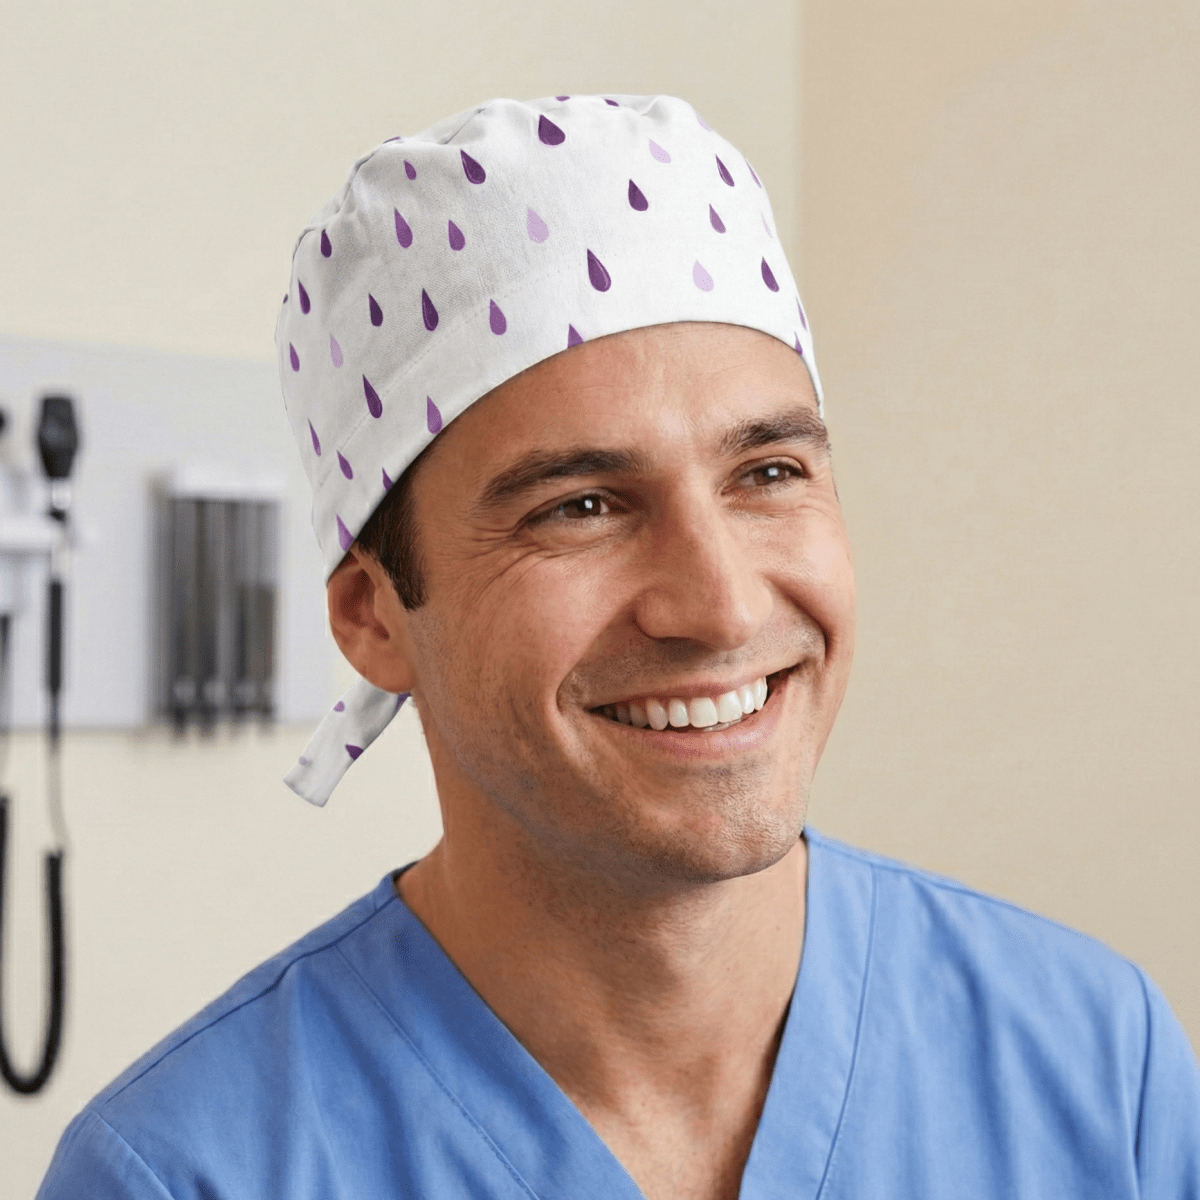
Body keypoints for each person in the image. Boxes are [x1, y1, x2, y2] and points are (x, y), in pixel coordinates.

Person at [39, 94, 1199, 1200]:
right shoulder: (192, 1173)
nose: (724, 606)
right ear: (373, 616)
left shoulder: (1099, 1066)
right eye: (580, 505)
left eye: (769, 474)